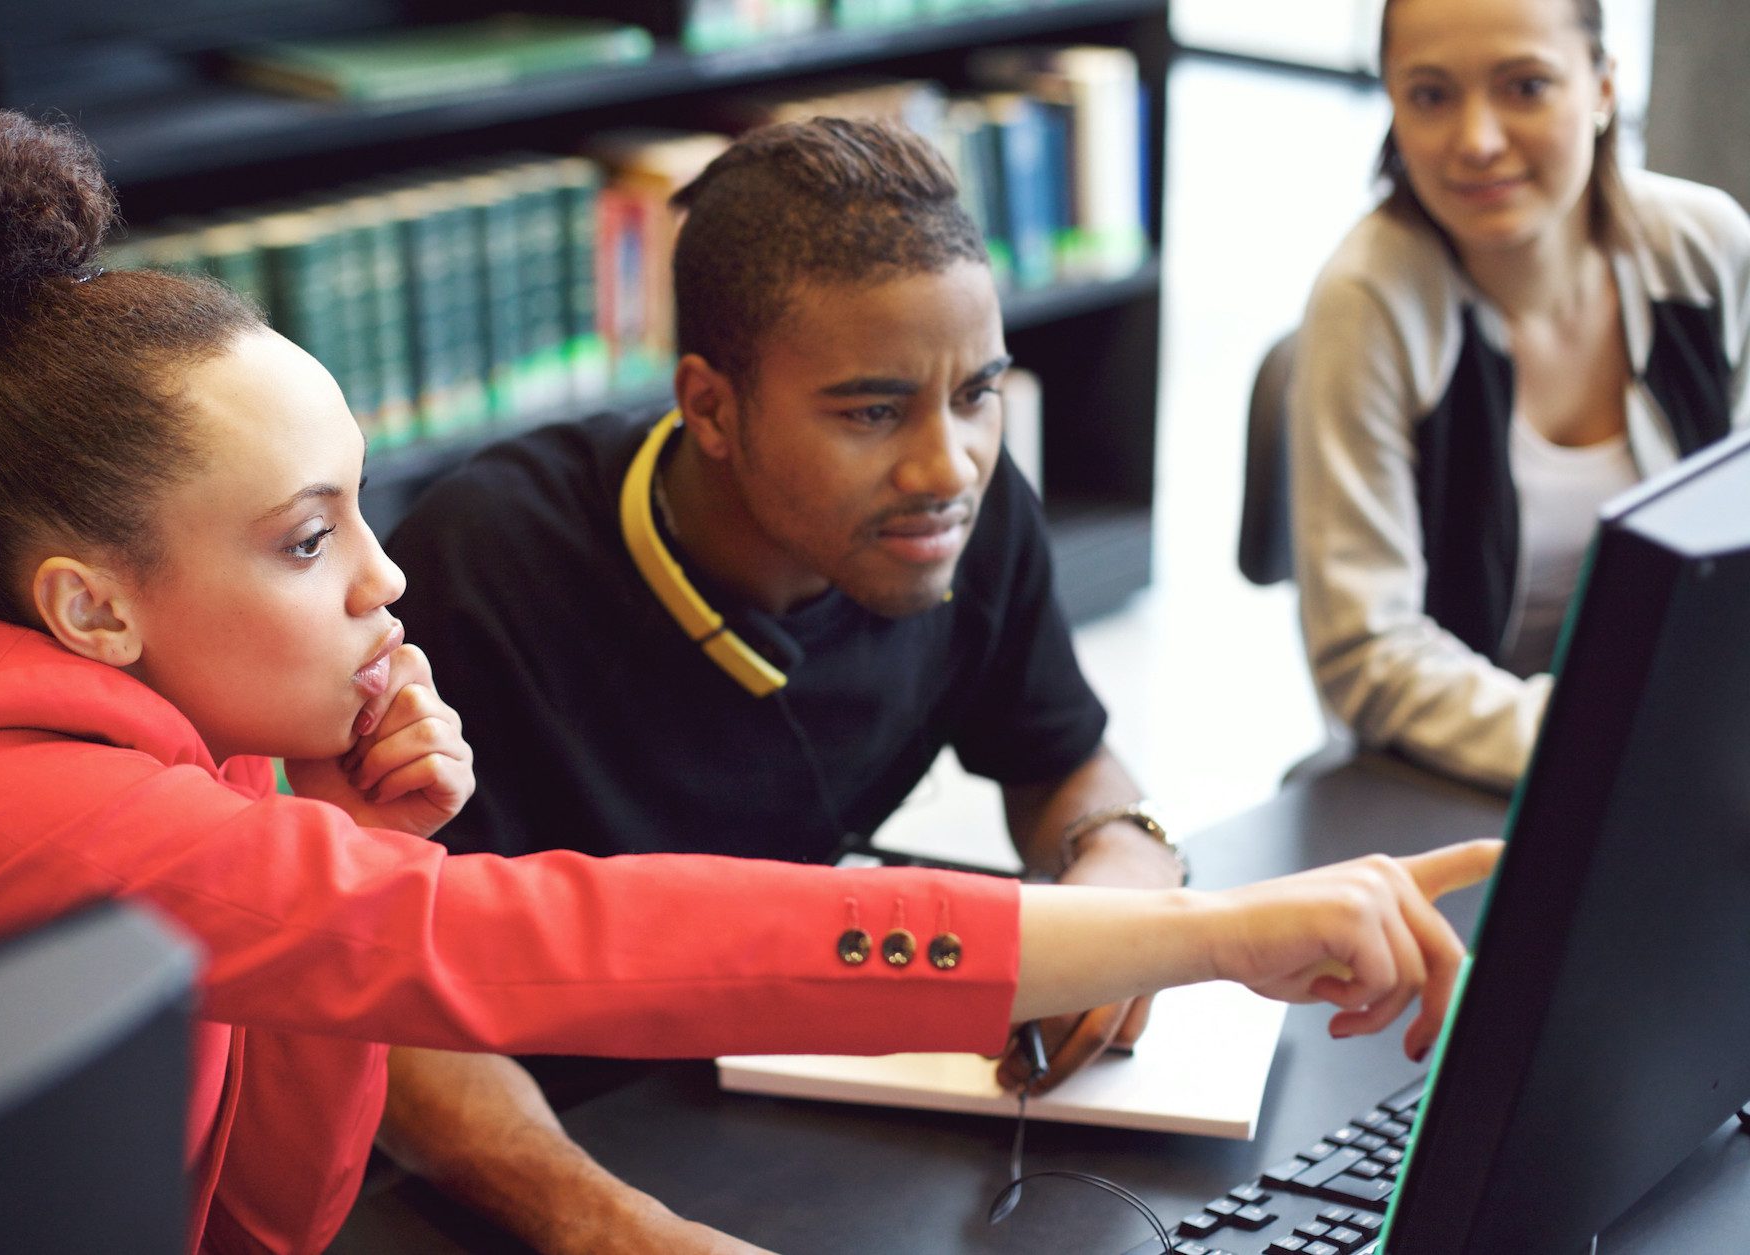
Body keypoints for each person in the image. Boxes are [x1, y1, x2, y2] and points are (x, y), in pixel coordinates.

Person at [0, 105, 1495, 1255]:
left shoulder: (185, 778)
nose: (387, 575)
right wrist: (1209, 934)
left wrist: (360, 841)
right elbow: (577, 939)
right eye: (306, 541)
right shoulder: (10, 803)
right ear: (95, 608)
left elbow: (262, 1221)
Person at [367, 117, 1336, 1253]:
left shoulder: (962, 513)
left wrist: (1122, 860)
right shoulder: (483, 565)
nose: (946, 466)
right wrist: (603, 1227)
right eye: (872, 412)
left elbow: (1058, 755)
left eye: (977, 392)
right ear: (711, 407)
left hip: (784, 1092)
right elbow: (383, 996)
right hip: (548, 1135)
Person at [1290, 0, 1750, 790]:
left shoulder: (1705, 249)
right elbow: (1366, 653)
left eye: (1526, 86)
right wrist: (1602, 741)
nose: (1478, 141)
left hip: (1688, 747)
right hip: (1466, 778)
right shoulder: (1367, 303)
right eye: (1431, 95)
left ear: (1604, 87)